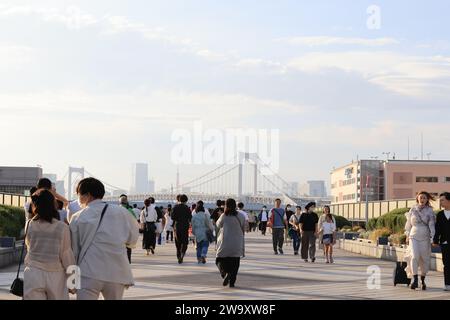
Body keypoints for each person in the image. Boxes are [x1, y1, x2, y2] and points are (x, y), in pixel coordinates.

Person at [70, 178, 139, 300]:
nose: (78, 198)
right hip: (116, 272)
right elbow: (132, 240)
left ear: (88, 195)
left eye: (79, 194)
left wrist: (71, 281)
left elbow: (73, 251)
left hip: (88, 272)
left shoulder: (77, 217)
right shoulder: (122, 213)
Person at [23, 189, 76, 300]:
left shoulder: (29, 224)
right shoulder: (62, 227)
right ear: (53, 204)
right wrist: (74, 282)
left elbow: (29, 248)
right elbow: (67, 255)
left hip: (33, 272)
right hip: (56, 275)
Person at [405, 191, 436, 290]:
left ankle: (423, 280)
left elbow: (431, 225)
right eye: (421, 197)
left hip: (425, 237)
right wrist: (406, 234)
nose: (422, 199)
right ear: (417, 198)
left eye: (424, 198)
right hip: (413, 236)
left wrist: (433, 237)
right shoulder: (413, 209)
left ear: (427, 200)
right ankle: (415, 280)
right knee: (414, 257)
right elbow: (408, 224)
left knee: (424, 259)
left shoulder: (430, 211)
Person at [216, 198, 246, 288]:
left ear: (226, 206)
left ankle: (224, 274)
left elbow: (218, 225)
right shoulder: (241, 216)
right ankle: (232, 282)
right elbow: (244, 227)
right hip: (237, 242)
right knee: (235, 263)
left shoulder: (224, 216)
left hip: (225, 243)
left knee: (219, 260)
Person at [433, 192, 450, 291]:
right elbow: (437, 228)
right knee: (446, 264)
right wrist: (435, 240)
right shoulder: (440, 214)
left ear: (448, 200)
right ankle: (447, 284)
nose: (441, 202)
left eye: (442, 200)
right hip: (445, 243)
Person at [171, 194, 192, 264]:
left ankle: (178, 255)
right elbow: (190, 217)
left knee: (178, 242)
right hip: (185, 226)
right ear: (186, 200)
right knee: (185, 242)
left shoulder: (175, 207)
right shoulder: (187, 208)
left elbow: (172, 217)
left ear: (179, 200)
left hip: (177, 226)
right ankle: (182, 254)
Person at [119, 194, 137, 263]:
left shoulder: (117, 209)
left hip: (119, 231)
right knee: (128, 247)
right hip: (128, 231)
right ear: (126, 202)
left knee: (120, 246)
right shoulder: (130, 210)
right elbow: (135, 220)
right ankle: (128, 260)